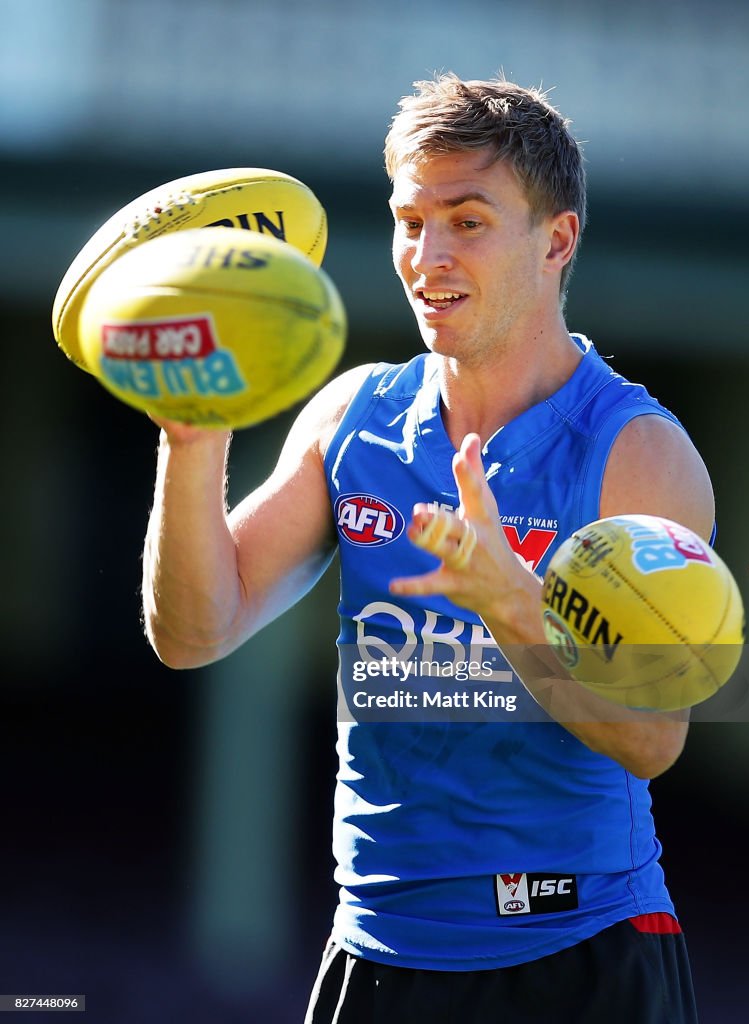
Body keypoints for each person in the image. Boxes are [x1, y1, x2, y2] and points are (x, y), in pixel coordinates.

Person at [141, 74, 711, 1023]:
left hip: (583, 950)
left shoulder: (639, 453)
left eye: (468, 220)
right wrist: (192, 439)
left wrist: (513, 602)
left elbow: (656, 738)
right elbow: (191, 632)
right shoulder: (354, 419)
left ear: (556, 241)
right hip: (378, 949)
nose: (426, 254)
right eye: (411, 220)